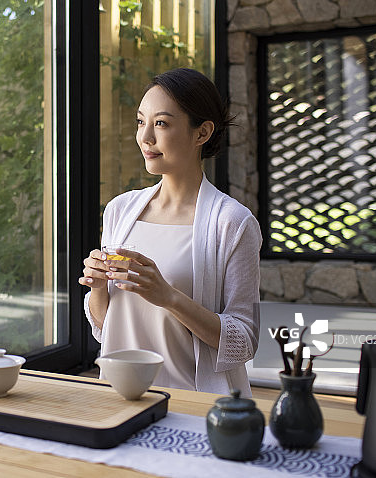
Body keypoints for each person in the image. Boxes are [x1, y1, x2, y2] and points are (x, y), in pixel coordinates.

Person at [80, 68, 262, 396]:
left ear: (202, 133)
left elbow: (243, 343)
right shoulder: (120, 211)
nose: (145, 137)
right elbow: (107, 327)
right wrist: (98, 288)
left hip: (196, 402)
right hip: (120, 396)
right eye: (140, 121)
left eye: (161, 123)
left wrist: (169, 297)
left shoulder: (233, 223)